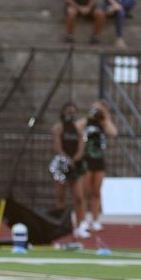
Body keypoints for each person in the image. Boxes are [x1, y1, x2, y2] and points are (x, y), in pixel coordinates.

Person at [50, 102, 89, 238]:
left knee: (79, 197)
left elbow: (82, 144)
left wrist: (76, 158)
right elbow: (57, 147)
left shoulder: (78, 129)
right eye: (68, 111)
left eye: (73, 111)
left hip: (75, 165)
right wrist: (67, 159)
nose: (70, 114)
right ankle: (61, 225)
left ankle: (81, 225)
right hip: (61, 166)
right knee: (61, 198)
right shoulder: (58, 128)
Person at [80, 101, 117, 234]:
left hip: (98, 159)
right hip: (87, 159)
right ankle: (82, 220)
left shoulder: (103, 123)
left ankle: (95, 220)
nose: (96, 112)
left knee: (96, 191)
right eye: (94, 109)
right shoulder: (86, 122)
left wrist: (105, 116)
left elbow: (113, 132)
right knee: (85, 191)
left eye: (99, 109)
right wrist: (89, 117)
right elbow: (77, 127)